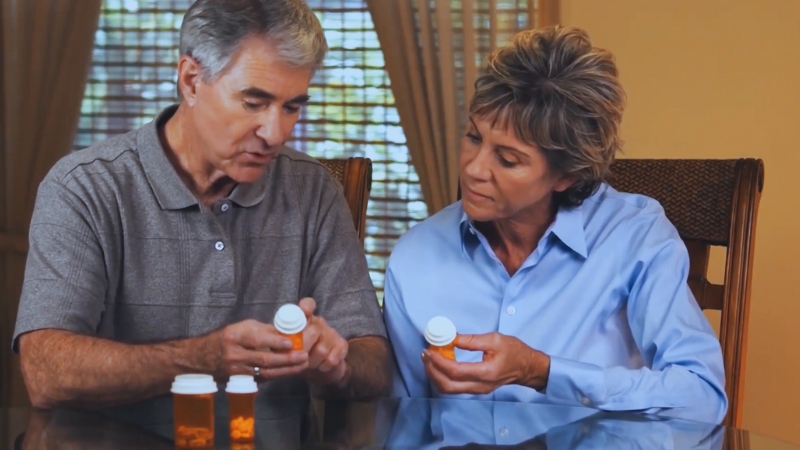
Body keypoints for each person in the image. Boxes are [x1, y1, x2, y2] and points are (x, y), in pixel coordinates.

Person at [13, 0, 391, 412]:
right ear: (191, 80)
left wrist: (336, 363)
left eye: (292, 106)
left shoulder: (314, 191)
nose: (275, 132)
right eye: (253, 102)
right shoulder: (83, 187)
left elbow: (373, 361)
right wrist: (204, 358)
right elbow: (46, 372)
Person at [384, 26, 727, 424]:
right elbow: (399, 419)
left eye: (508, 159)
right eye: (473, 138)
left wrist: (542, 371)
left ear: (566, 175)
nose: (474, 170)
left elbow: (702, 398)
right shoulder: (415, 256)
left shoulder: (635, 237)